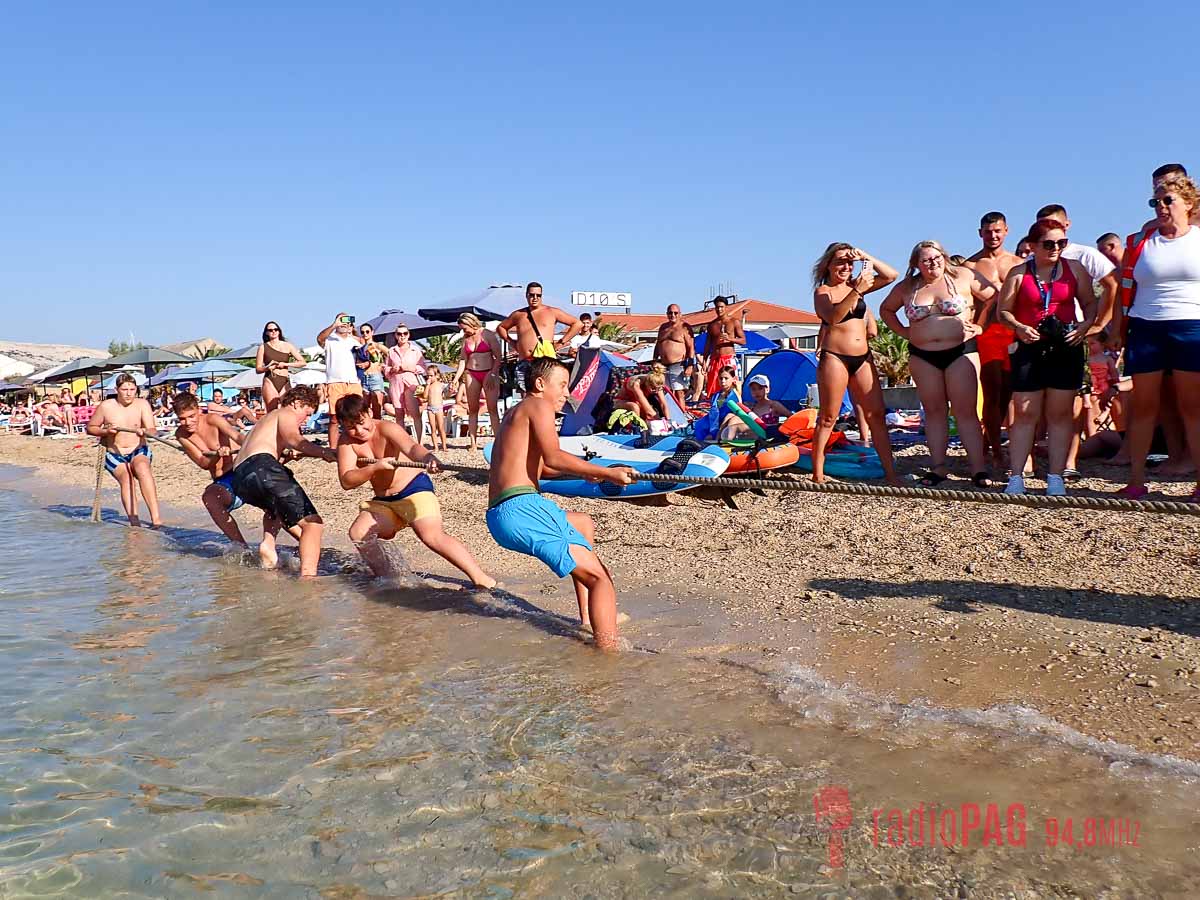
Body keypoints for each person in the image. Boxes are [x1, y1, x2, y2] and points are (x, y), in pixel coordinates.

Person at [485, 358, 632, 651]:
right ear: (540, 384)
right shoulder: (538, 406)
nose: (567, 393)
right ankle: (609, 656)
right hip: (523, 508)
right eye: (562, 385)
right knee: (601, 579)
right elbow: (553, 456)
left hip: (502, 513)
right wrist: (605, 473)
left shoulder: (517, 413)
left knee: (582, 523)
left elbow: (543, 469)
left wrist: (586, 471)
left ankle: (588, 619)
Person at [334, 395, 495, 586]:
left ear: (369, 413)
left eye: (361, 423)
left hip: (414, 489)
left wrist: (428, 458)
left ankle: (481, 579)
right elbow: (346, 480)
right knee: (358, 532)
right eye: (351, 427)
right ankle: (388, 579)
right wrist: (374, 468)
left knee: (431, 536)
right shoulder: (346, 442)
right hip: (384, 501)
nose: (359, 431)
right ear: (343, 425)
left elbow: (412, 448)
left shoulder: (388, 428)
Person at [1110, 173, 1200, 500]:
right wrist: (1118, 331)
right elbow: (1124, 290)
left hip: (1191, 325)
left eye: (1167, 200)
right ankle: (1136, 480)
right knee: (1145, 406)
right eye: (1155, 201)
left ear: (1188, 204)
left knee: (1192, 406)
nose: (1160, 206)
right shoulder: (1139, 242)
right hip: (1146, 326)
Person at [881, 240, 998, 486]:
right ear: (916, 264)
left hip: (960, 350)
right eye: (926, 260)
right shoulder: (908, 287)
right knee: (934, 412)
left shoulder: (963, 276)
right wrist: (903, 331)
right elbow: (886, 310)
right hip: (923, 354)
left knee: (965, 411)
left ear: (944, 257)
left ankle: (978, 468)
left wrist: (980, 326)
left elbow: (992, 297)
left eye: (937, 257)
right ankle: (938, 467)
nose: (932, 263)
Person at [996, 218, 1100, 495]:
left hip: (1065, 345)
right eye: (1049, 244)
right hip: (1029, 347)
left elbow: (1090, 303)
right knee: (1025, 413)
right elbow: (1002, 311)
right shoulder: (1019, 273)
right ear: (1033, 246)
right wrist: (1018, 327)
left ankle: (1056, 476)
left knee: (1060, 414)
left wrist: (1084, 326)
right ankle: (1016, 476)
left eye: (1061, 243)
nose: (1056, 248)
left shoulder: (1074, 269)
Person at [810, 243, 902, 485]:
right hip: (835, 357)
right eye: (840, 261)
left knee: (877, 415)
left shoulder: (857, 286)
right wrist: (856, 291)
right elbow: (833, 317)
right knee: (828, 417)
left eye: (849, 262)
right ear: (828, 265)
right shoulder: (823, 292)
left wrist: (864, 255)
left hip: (863, 357)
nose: (846, 266)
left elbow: (891, 275)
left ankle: (891, 474)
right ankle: (817, 474)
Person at [228, 385, 337, 575]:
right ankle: (309, 579)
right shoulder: (285, 413)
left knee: (275, 507)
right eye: (307, 413)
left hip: (240, 477)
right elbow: (295, 439)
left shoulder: (265, 420)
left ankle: (268, 544)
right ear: (296, 403)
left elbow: (270, 449)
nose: (307, 420)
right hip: (261, 466)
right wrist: (323, 452)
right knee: (313, 523)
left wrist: (287, 454)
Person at [966, 212, 1026, 470]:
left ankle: (990, 443)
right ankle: (995, 450)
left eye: (997, 231)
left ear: (1006, 231)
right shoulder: (970, 265)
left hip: (1014, 332)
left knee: (1009, 393)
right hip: (988, 333)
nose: (993, 236)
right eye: (988, 231)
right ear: (980, 233)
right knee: (991, 391)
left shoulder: (1018, 263)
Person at [86, 373, 163, 527]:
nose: (128, 393)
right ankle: (135, 523)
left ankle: (156, 520)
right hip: (115, 454)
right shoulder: (106, 406)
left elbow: (153, 430)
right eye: (124, 389)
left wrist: (145, 431)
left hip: (138, 449)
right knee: (126, 479)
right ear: (117, 390)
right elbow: (91, 428)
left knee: (142, 467)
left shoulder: (142, 404)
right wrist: (106, 432)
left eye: (132, 389)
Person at [172, 392, 248, 545]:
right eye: (182, 418)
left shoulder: (213, 420)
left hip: (241, 470)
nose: (187, 422)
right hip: (223, 481)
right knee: (210, 498)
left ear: (199, 411)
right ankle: (242, 547)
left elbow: (238, 437)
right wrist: (217, 455)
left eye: (191, 416)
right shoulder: (181, 434)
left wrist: (259, 443)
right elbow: (202, 463)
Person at [1034, 204, 1119, 329]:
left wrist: (1100, 323)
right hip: (1037, 331)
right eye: (1042, 226)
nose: (1049, 229)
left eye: (1054, 224)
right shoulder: (1032, 259)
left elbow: (1113, 284)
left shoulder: (1084, 254)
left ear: (1067, 224)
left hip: (1074, 329)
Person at [496, 282, 582, 390]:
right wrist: (512, 342)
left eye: (538, 295)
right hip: (525, 361)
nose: (535, 298)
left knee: (545, 392)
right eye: (532, 295)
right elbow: (501, 328)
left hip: (544, 361)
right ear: (526, 295)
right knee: (526, 396)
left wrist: (561, 342)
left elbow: (577, 324)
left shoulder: (551, 312)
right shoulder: (518, 314)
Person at [448, 313, 502, 451]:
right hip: (471, 372)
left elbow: (498, 356)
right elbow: (462, 360)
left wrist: (493, 372)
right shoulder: (465, 339)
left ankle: (498, 442)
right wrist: (455, 379)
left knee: (492, 408)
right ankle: (473, 442)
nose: (463, 331)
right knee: (473, 410)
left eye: (464, 328)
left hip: (489, 371)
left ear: (471, 323)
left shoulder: (487, 334)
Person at [316, 313, 364, 450]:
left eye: (347, 320)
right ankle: (333, 448)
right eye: (341, 320)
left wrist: (352, 332)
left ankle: (358, 443)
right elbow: (319, 339)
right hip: (335, 382)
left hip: (353, 381)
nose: (344, 323)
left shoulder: (354, 340)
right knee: (334, 417)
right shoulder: (330, 339)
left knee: (358, 413)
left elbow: (365, 352)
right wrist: (334, 325)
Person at [382, 323, 427, 444]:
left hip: (411, 383)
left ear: (408, 335)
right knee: (399, 413)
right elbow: (385, 369)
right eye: (399, 334)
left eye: (405, 333)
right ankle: (402, 444)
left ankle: (420, 442)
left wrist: (410, 367)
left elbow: (423, 367)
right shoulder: (391, 351)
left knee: (415, 413)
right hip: (396, 382)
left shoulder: (415, 350)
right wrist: (392, 369)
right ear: (395, 335)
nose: (402, 336)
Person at [255, 321, 307, 411]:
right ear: (266, 332)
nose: (273, 331)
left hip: (285, 379)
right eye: (270, 330)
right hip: (270, 379)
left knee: (288, 409)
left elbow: (302, 362)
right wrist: (267, 368)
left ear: (279, 331)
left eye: (276, 329)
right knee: (272, 411)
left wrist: (286, 364)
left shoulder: (288, 346)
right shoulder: (263, 347)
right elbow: (258, 369)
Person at [721, 373, 790, 439]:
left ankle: (726, 442)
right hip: (752, 434)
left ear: (767, 389)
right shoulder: (752, 406)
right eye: (753, 389)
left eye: (760, 388)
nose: (757, 392)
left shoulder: (773, 405)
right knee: (729, 416)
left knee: (735, 420)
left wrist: (778, 428)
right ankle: (718, 439)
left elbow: (791, 416)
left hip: (766, 434)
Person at [653, 304, 697, 409]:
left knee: (679, 393)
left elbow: (691, 347)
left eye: (675, 313)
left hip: (678, 364)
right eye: (670, 313)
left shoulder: (684, 328)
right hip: (662, 365)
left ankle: (682, 419)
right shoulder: (663, 328)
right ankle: (668, 416)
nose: (673, 315)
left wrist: (690, 365)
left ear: (680, 314)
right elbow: (658, 344)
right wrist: (654, 360)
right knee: (663, 393)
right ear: (667, 314)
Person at [701, 297, 745, 398]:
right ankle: (715, 408)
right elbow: (708, 345)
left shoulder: (734, 322)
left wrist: (730, 339)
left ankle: (735, 407)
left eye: (721, 307)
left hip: (728, 358)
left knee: (732, 386)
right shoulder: (712, 325)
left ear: (726, 307)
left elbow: (743, 340)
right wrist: (704, 361)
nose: (719, 309)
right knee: (713, 386)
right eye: (717, 307)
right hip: (715, 360)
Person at [354, 323, 388, 419]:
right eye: (363, 332)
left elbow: (390, 354)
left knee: (377, 407)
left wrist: (383, 365)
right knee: (365, 409)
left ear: (372, 332)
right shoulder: (360, 348)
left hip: (375, 377)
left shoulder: (377, 346)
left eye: (367, 331)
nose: (365, 334)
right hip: (364, 377)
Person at [424, 367, 448, 452]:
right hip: (430, 408)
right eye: (428, 376)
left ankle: (444, 446)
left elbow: (447, 394)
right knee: (433, 428)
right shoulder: (428, 386)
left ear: (437, 375)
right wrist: (427, 385)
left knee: (441, 428)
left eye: (431, 376)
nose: (429, 378)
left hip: (439, 408)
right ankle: (436, 447)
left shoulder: (441, 385)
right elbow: (425, 396)